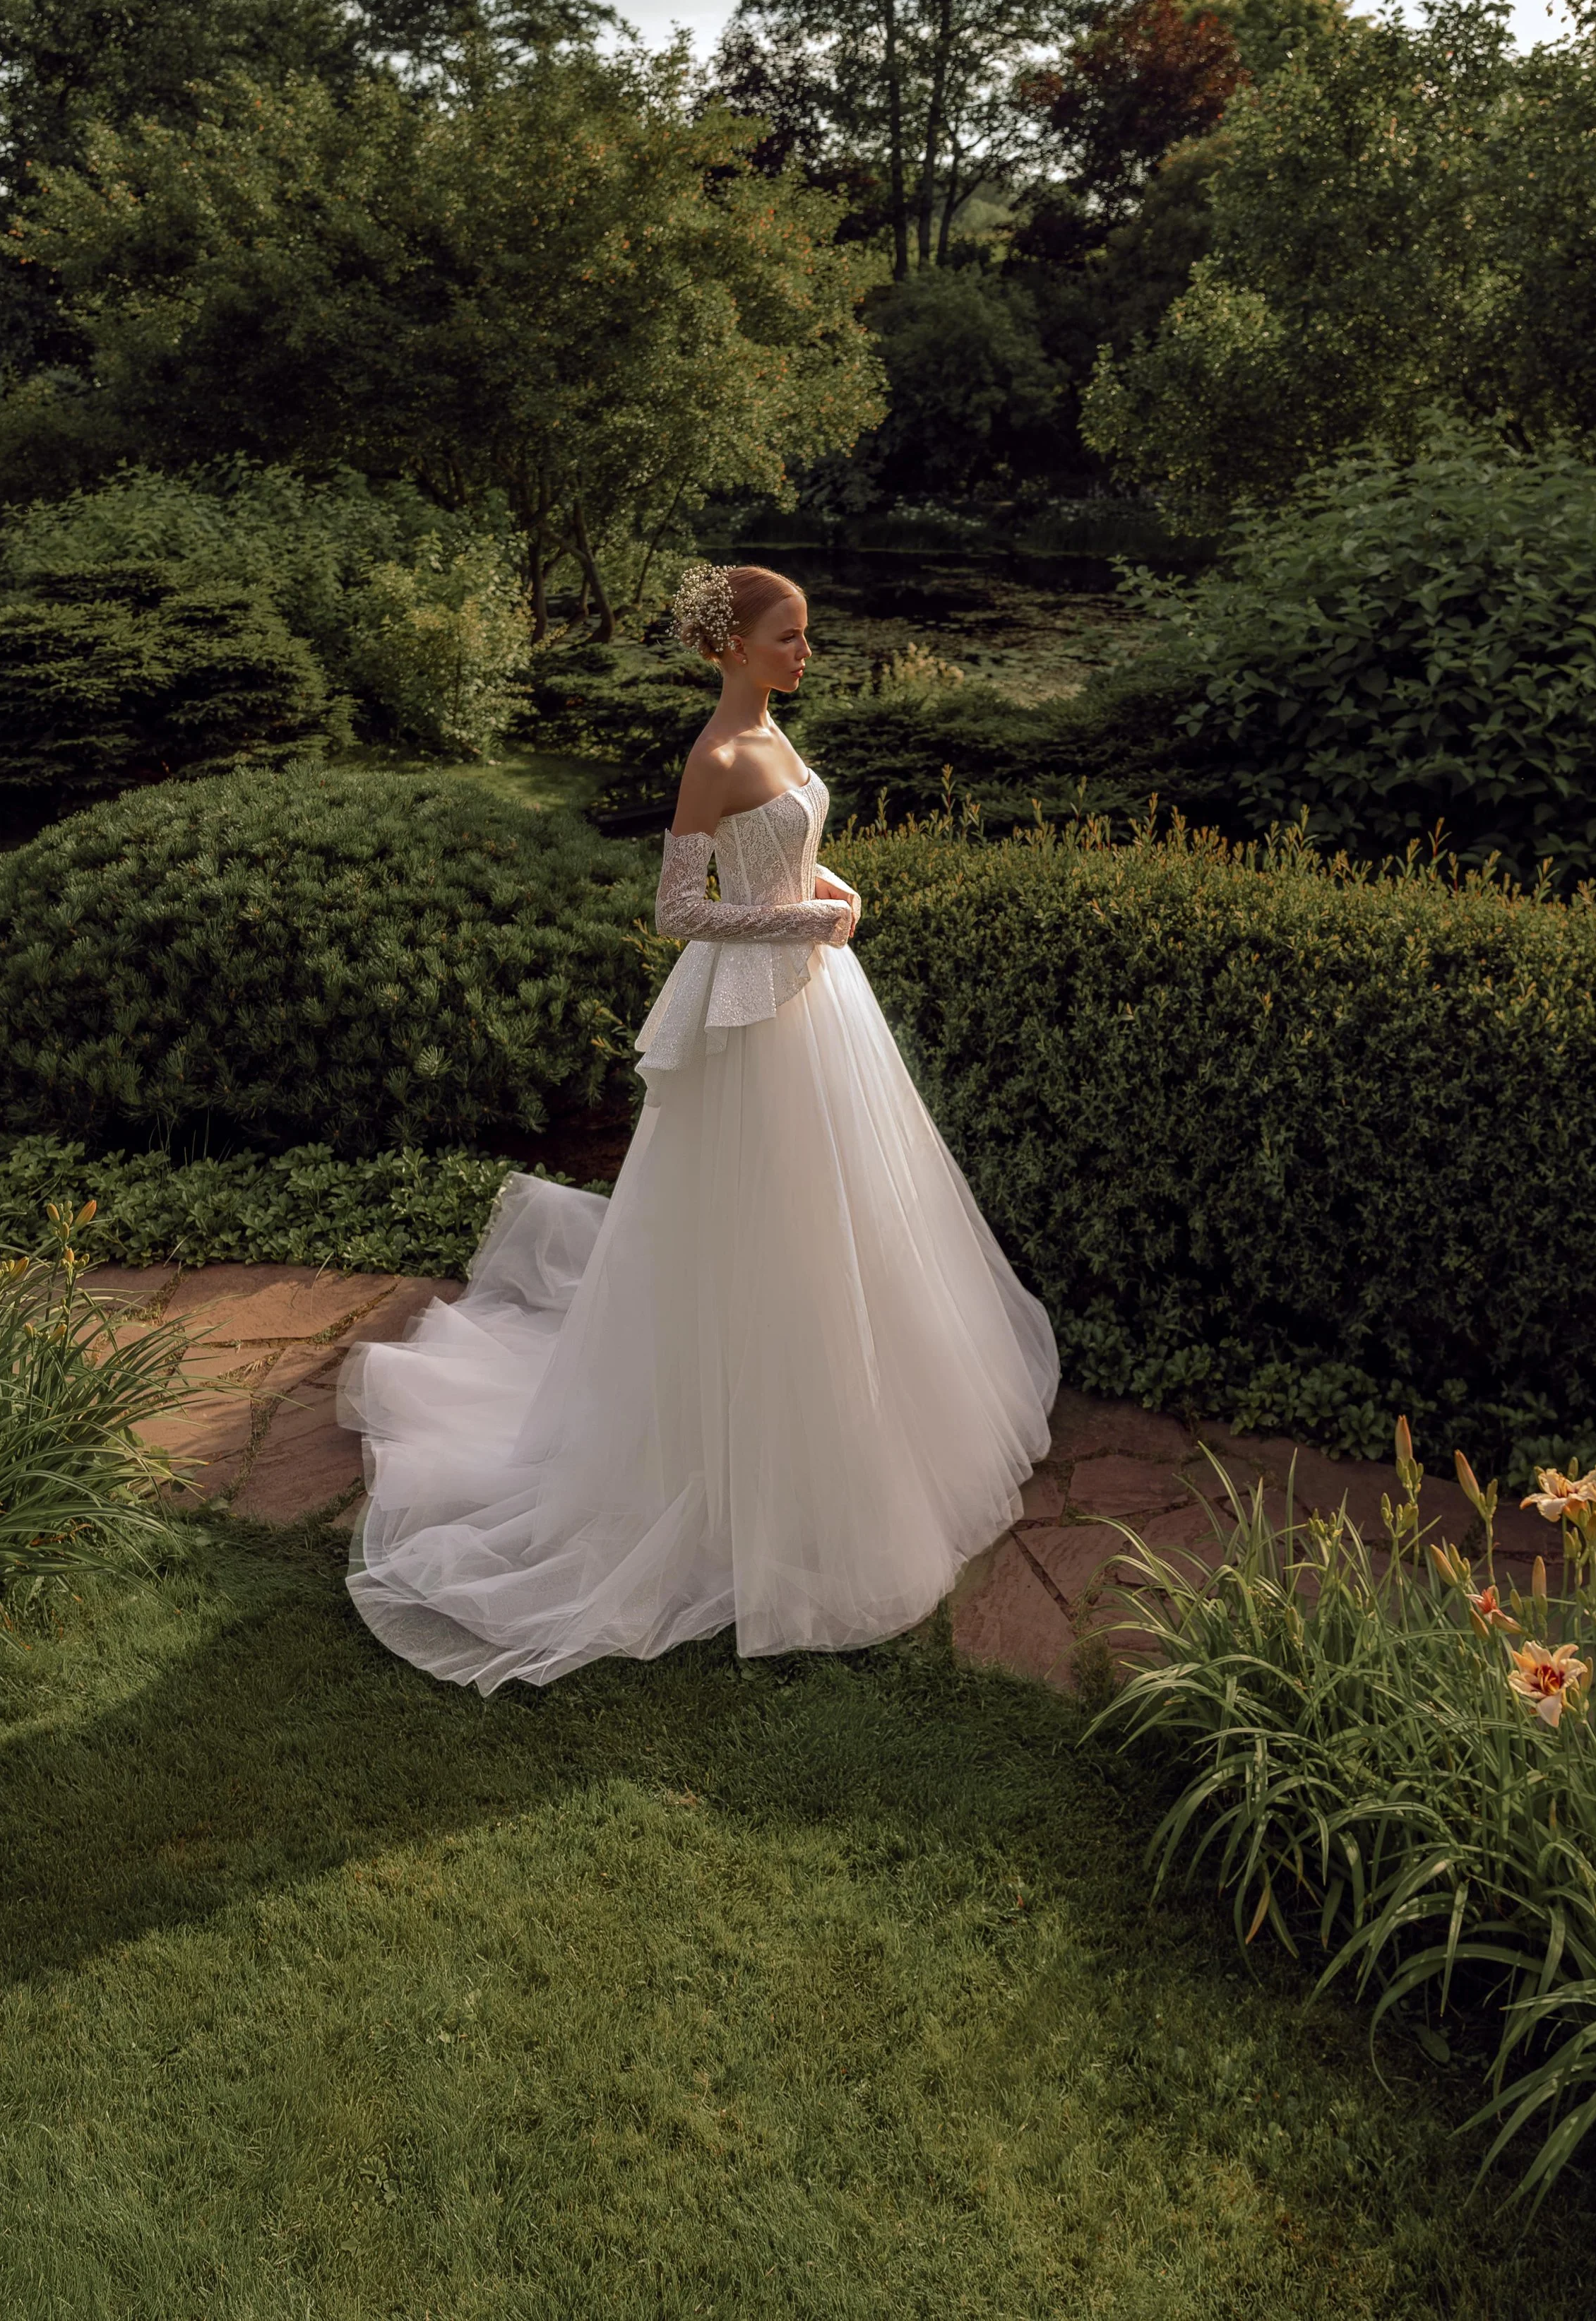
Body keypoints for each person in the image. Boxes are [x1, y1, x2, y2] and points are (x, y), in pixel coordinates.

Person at [340, 562, 1059, 1690]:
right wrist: (805, 916)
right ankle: (735, 1471)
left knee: (846, 1220)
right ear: (733, 648)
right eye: (790, 636)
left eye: (807, 635)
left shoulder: (777, 739)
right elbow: (678, 909)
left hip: (820, 1009)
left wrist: (834, 883)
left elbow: (791, 843)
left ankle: (853, 1447)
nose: (805, 652)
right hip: (754, 1026)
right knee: (755, 1228)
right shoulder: (714, 759)